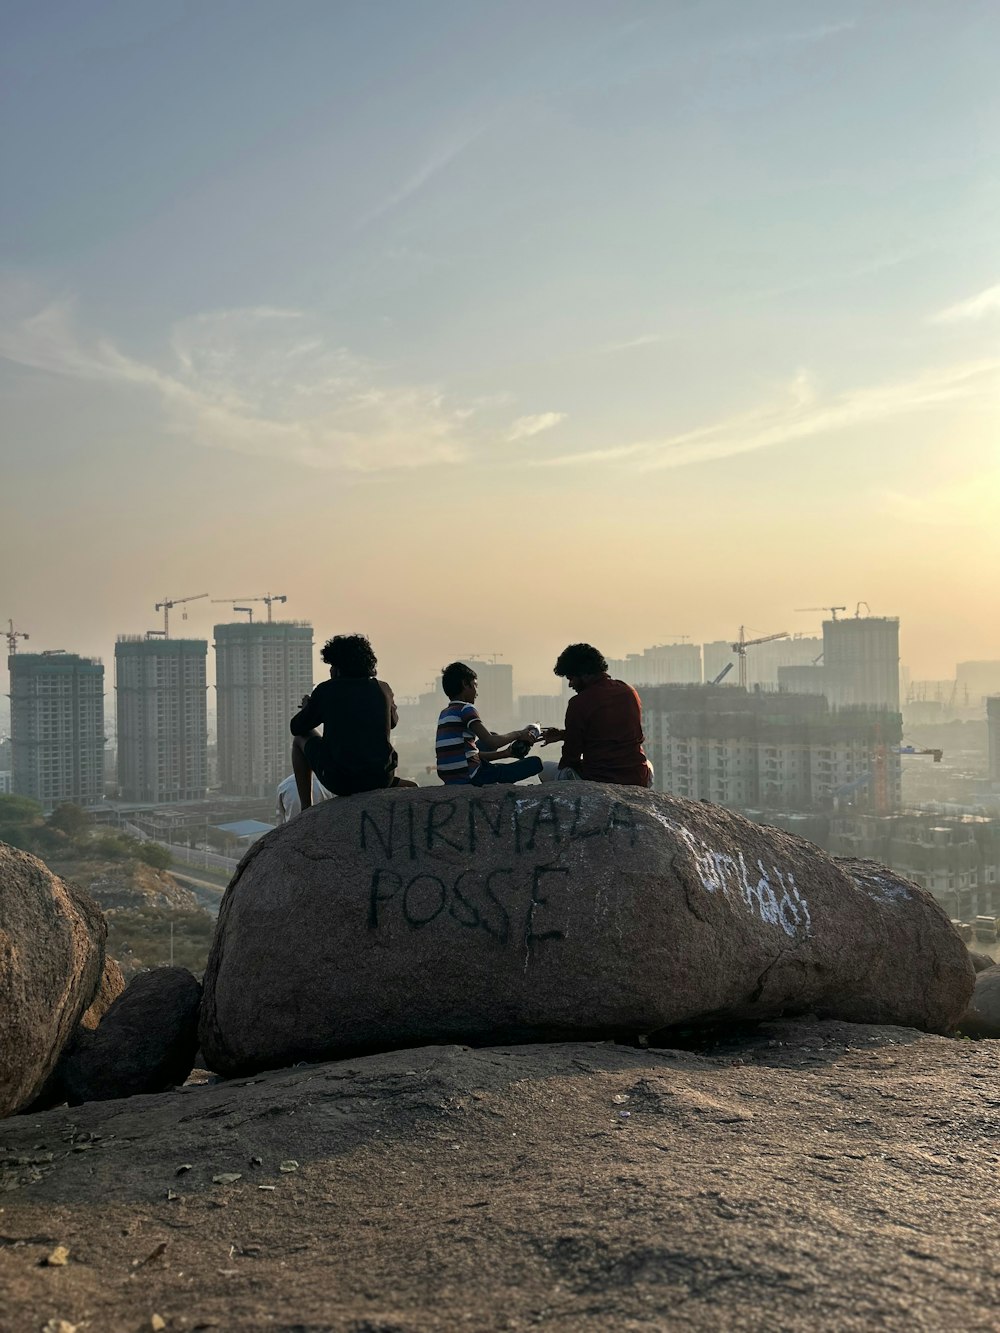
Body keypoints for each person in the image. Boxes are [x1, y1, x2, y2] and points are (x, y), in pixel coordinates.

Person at [290, 633, 416, 807]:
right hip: (382, 778)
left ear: (338, 668)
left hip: (341, 781)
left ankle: (306, 807)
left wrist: (308, 708)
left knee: (299, 740)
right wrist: (390, 704)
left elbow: (297, 727)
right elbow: (393, 722)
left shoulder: (326, 691)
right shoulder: (382, 688)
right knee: (411, 787)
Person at [541, 642, 652, 786]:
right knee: (647, 763)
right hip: (638, 778)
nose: (570, 684)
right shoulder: (628, 691)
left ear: (584, 674)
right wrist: (564, 735)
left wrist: (570, 746)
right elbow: (613, 735)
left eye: (571, 678)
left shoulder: (579, 703)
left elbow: (570, 758)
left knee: (543, 768)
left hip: (599, 780)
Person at [436, 661, 548, 786]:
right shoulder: (466, 709)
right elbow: (492, 741)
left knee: (491, 736)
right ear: (465, 684)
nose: (477, 692)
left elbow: (469, 754)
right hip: (471, 776)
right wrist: (519, 734)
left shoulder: (445, 713)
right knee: (536, 763)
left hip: (450, 777)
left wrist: (506, 754)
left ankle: (491, 768)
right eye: (475, 686)